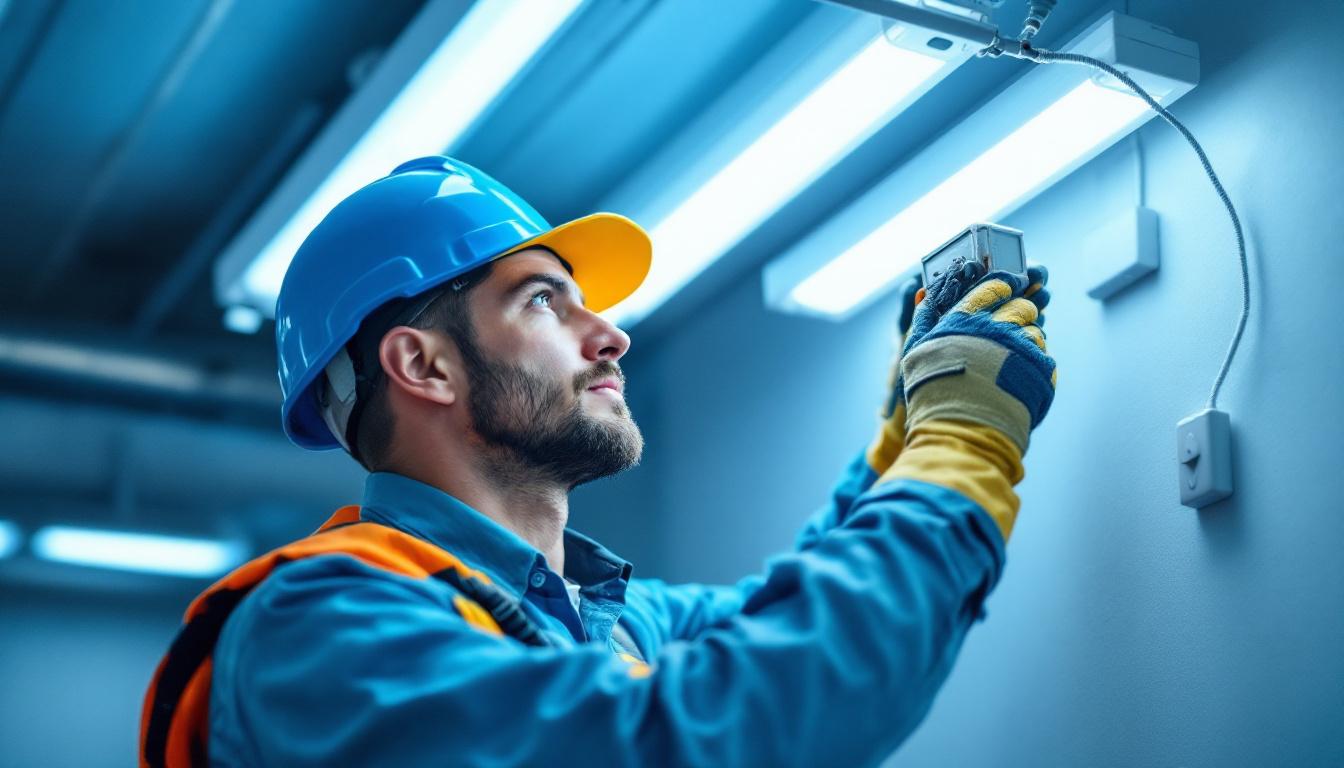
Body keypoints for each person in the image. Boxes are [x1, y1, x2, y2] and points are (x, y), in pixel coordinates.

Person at [140, 156, 1055, 767]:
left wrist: (903, 432)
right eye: (544, 301)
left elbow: (783, 618)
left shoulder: (595, 620)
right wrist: (963, 445)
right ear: (424, 365)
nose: (611, 334)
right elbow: (724, 722)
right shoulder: (323, 628)